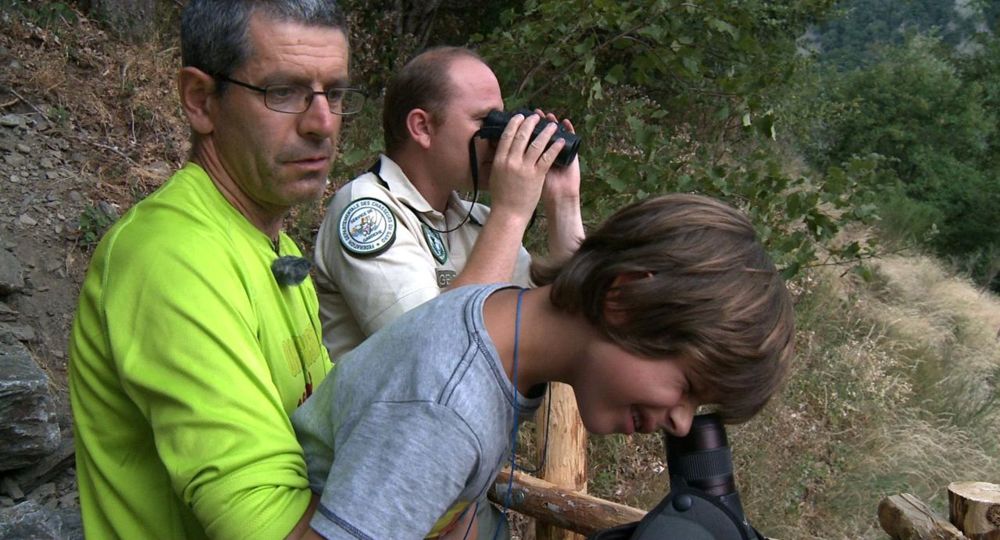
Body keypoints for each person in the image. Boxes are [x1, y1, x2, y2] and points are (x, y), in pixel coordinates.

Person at [292, 193, 797, 539]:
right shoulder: (444, 409)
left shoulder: (502, 324)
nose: (682, 423)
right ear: (624, 297)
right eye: (686, 386)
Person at [67, 0, 358, 537]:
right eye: (284, 91)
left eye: (334, 94)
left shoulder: (273, 243)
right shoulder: (171, 258)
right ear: (201, 101)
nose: (322, 124)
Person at [313, 46, 585, 361]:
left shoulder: (477, 222)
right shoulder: (366, 210)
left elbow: (571, 323)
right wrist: (511, 213)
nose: (501, 137)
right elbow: (437, 358)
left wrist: (563, 201)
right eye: (486, 120)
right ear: (422, 128)